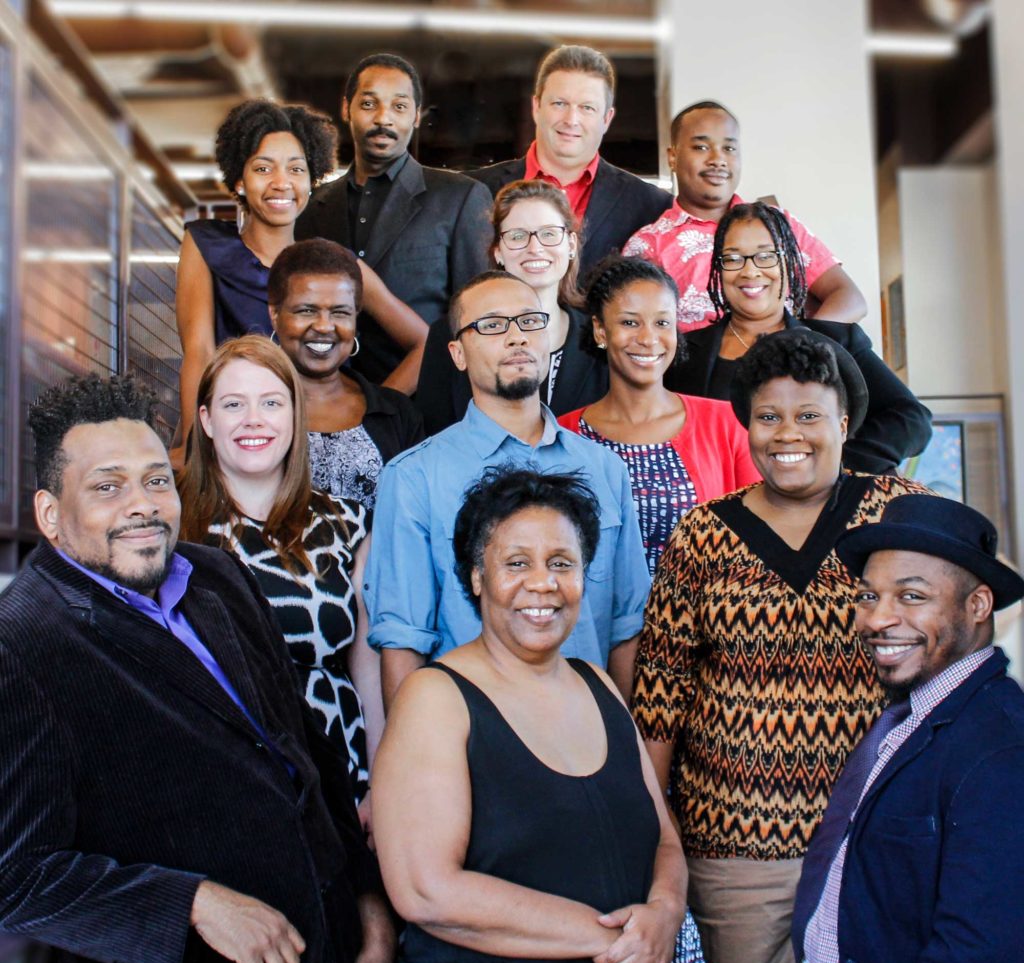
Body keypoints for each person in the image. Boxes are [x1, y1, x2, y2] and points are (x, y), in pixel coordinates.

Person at [0, 374, 395, 963]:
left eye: (157, 480)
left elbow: (306, 749)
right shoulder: (21, 644)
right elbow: (15, 876)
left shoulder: (216, 575)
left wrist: (370, 914)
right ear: (50, 514)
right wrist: (190, 903)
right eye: (107, 487)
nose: (143, 505)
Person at [631, 331, 930, 963]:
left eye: (808, 415)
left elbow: (948, 658)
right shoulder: (701, 536)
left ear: (844, 424)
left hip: (876, 836)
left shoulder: (897, 514)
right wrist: (656, 838)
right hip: (735, 848)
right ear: (747, 426)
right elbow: (661, 699)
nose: (787, 434)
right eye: (768, 416)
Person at [373, 466, 686, 963]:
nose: (542, 583)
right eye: (516, 563)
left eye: (561, 563)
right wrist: (613, 940)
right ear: (477, 577)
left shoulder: (600, 686)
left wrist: (663, 915)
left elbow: (663, 839)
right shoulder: (435, 698)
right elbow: (425, 890)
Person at [787, 495, 1024, 963]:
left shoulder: (1000, 749)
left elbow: (975, 961)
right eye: (868, 596)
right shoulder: (909, 717)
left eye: (912, 596)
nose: (877, 619)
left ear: (978, 606)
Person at [366, 270, 650, 708]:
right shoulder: (414, 477)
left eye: (529, 321)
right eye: (492, 325)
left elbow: (627, 625)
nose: (517, 337)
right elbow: (403, 639)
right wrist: (414, 744)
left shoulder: (605, 469)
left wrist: (619, 732)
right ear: (458, 354)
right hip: (474, 732)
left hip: (588, 726)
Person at [177, 334, 383, 806]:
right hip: (214, 779)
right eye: (233, 404)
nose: (254, 419)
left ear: (294, 417)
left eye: (271, 403)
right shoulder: (173, 526)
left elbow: (368, 670)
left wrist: (380, 783)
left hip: (335, 775)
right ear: (206, 420)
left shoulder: (349, 523)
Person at [175, 98, 427, 463]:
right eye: (263, 168)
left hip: (319, 439)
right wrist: (195, 445)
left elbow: (426, 343)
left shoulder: (333, 265)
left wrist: (373, 410)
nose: (282, 183)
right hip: (239, 437)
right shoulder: (207, 245)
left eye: (296, 169)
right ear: (239, 181)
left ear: (311, 180)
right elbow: (198, 352)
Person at [664, 201, 932, 473]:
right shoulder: (684, 354)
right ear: (718, 269)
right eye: (733, 258)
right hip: (722, 497)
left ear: (789, 263)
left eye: (766, 256)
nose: (750, 271)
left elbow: (911, 419)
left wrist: (834, 467)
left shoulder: (836, 341)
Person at [296, 52, 492, 385]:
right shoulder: (312, 207)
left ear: (416, 116)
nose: (383, 118)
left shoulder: (460, 198)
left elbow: (478, 317)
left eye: (399, 106)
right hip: (328, 395)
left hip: (426, 398)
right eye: (369, 104)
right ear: (346, 109)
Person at [559, 254, 759, 574]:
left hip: (707, 605)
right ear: (600, 330)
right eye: (629, 322)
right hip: (599, 607)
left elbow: (762, 543)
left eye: (662, 323)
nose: (648, 338)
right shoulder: (563, 435)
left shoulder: (727, 423)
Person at [624, 101, 865, 334]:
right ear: (673, 157)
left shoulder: (777, 224)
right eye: (701, 147)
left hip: (784, 357)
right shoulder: (649, 244)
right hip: (699, 361)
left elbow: (849, 298)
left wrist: (802, 344)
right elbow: (637, 330)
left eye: (729, 149)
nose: (717, 159)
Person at [416, 178, 608, 435]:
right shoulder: (450, 333)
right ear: (498, 251)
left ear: (571, 245)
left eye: (549, 234)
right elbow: (435, 433)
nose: (535, 248)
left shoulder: (600, 335)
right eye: (518, 236)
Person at [467, 45, 672, 274]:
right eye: (559, 104)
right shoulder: (473, 192)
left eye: (587, 108)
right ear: (536, 107)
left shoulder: (652, 206)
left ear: (607, 119)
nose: (571, 119)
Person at [267, 239, 424, 508]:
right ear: (275, 314)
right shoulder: (244, 409)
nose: (324, 326)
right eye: (307, 310)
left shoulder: (397, 413)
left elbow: (417, 513)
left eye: (340, 312)